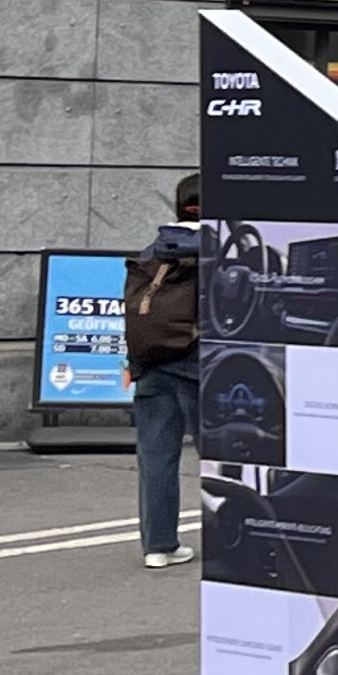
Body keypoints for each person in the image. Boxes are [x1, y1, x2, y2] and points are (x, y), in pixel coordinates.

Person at [122, 176, 203, 568]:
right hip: (201, 366)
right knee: (222, 460)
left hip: (152, 365)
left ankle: (159, 546)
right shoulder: (220, 250)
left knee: (156, 459)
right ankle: (235, 540)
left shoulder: (153, 250)